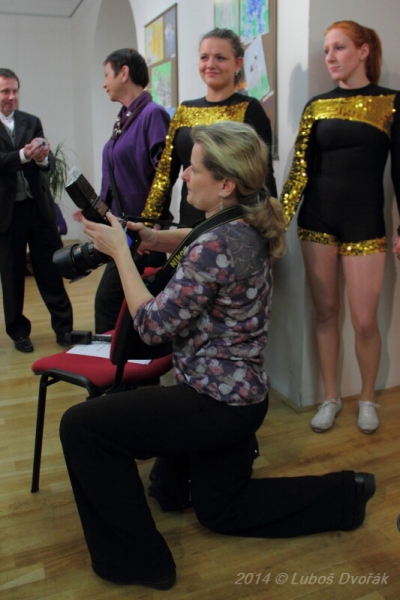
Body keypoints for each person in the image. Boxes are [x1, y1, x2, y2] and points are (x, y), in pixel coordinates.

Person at [60, 121, 376, 590]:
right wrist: (150, 237)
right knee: (222, 510)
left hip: (214, 403)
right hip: (243, 398)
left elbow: (151, 326)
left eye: (193, 168)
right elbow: (198, 238)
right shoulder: (247, 219)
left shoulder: (217, 245)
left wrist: (121, 256)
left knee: (82, 427)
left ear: (225, 183)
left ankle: (139, 563)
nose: (184, 176)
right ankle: (347, 493)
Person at [281, 21, 400, 435]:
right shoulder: (316, 105)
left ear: (364, 51)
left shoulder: (390, 102)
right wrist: (277, 222)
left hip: (365, 222)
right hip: (316, 221)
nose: (330, 57)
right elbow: (299, 170)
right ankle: (330, 397)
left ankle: (366, 398)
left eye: (339, 48)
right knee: (326, 312)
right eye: (327, 50)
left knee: (365, 321)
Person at [146, 27, 277, 228]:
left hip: (234, 223)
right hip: (188, 219)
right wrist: (149, 219)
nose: (210, 64)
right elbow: (165, 173)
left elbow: (264, 176)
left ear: (238, 63)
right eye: (204, 57)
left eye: (220, 58)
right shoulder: (185, 110)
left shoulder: (250, 109)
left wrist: (269, 228)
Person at [93, 48, 171, 333]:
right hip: (124, 228)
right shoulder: (125, 117)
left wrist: (152, 224)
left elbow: (164, 176)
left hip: (141, 233)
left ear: (123, 72)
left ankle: (114, 359)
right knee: (119, 305)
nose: (104, 83)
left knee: (108, 302)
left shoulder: (153, 115)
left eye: (107, 75)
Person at [0, 68, 73, 352]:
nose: (11, 96)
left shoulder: (31, 121)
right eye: (5, 91)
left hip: (39, 208)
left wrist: (42, 157)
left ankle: (64, 328)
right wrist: (23, 155)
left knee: (50, 269)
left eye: (14, 90)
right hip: (7, 214)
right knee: (12, 275)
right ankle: (18, 333)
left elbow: (48, 162)